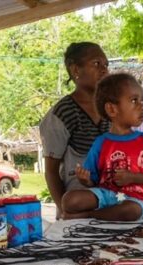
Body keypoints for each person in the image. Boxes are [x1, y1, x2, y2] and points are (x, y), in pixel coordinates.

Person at [62, 73, 143, 221]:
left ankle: (88, 215)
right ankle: (106, 213)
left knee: (130, 211)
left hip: (136, 198)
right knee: (69, 200)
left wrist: (133, 177)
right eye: (134, 100)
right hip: (106, 195)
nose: (141, 106)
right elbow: (94, 181)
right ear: (111, 109)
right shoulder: (101, 142)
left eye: (142, 100)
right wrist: (86, 180)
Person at [40, 42, 110, 215]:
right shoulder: (62, 114)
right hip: (78, 208)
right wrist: (65, 212)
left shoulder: (111, 109)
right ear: (75, 70)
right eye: (96, 63)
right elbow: (51, 171)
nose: (104, 70)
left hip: (111, 205)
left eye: (106, 64)